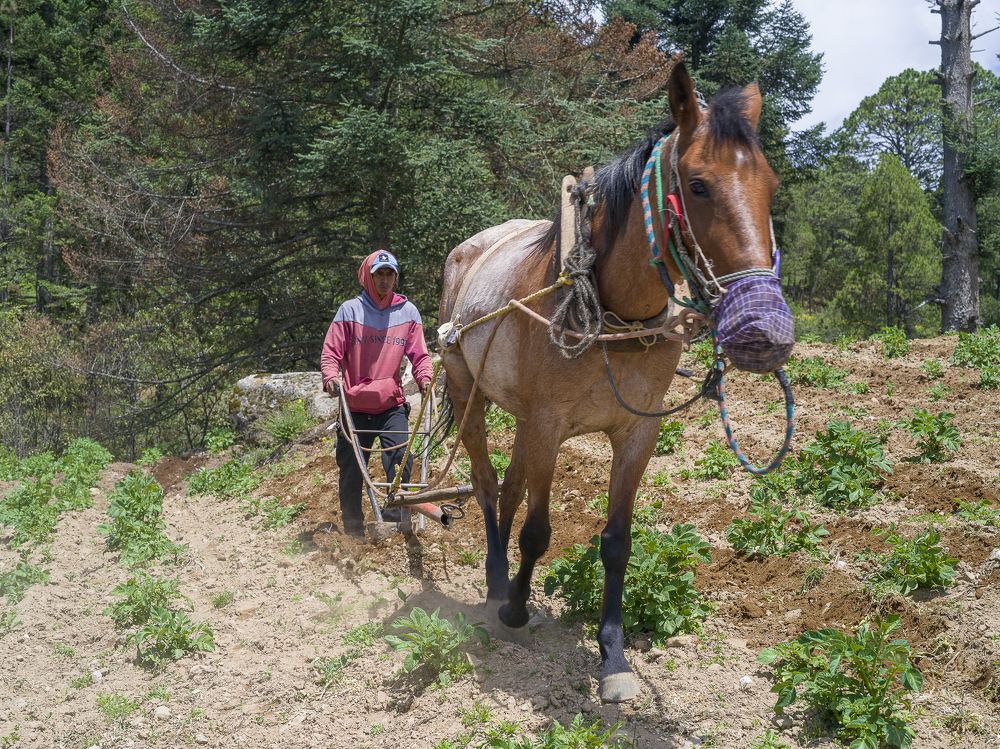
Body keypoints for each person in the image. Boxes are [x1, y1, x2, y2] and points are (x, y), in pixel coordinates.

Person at [320, 250, 433, 538]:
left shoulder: (408, 312)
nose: (384, 280)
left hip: (389, 403)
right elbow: (330, 354)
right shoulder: (349, 311)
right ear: (367, 277)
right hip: (354, 404)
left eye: (389, 274)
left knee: (400, 459)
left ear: (396, 277)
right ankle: (354, 531)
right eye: (378, 274)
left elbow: (420, 355)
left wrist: (425, 378)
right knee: (351, 469)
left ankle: (394, 522)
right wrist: (331, 378)